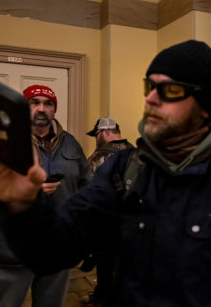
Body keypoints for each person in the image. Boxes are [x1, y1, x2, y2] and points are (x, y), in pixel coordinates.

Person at [0, 40, 211, 306]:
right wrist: (22, 205)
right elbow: (54, 249)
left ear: (205, 105)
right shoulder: (124, 170)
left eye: (170, 90)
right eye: (149, 85)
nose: (150, 98)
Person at [0, 84, 89, 307]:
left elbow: (86, 186)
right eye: (34, 103)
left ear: (54, 110)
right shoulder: (2, 142)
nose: (41, 108)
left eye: (48, 103)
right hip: (12, 250)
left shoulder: (71, 144)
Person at [81, 117, 133, 306]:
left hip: (106, 225)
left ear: (104, 132)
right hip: (133, 225)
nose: (96, 139)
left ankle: (101, 297)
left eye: (96, 135)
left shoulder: (97, 158)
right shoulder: (136, 152)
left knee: (105, 264)